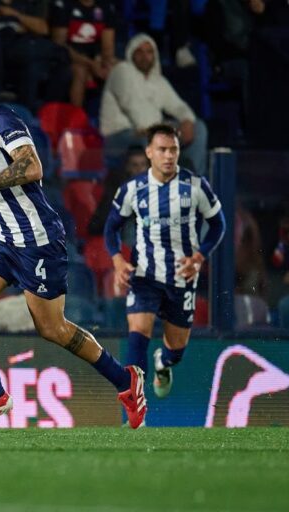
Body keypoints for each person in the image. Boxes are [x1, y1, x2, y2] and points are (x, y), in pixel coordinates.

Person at [0, 61, 146, 435]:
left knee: (52, 329)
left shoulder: (4, 122)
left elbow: (32, 167)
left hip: (37, 241)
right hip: (1, 236)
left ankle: (125, 381)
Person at [104, 123, 226, 401]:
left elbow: (218, 224)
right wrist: (118, 261)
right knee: (138, 332)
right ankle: (137, 405)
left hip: (182, 276)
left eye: (174, 149)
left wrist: (200, 255)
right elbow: (111, 227)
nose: (169, 155)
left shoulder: (196, 186)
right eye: (162, 149)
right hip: (144, 273)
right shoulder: (132, 189)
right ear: (149, 152)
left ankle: (164, 363)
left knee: (177, 348)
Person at [100, 33, 208, 174]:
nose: (145, 56)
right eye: (140, 52)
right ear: (131, 53)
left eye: (149, 52)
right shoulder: (122, 71)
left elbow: (177, 105)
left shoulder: (157, 80)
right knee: (152, 141)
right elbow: (133, 107)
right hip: (119, 135)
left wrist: (187, 120)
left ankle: (192, 182)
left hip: (151, 130)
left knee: (198, 128)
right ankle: (159, 190)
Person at [51, 0, 117, 107]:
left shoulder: (106, 6)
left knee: (121, 67)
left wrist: (105, 63)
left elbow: (108, 47)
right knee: (81, 70)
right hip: (68, 59)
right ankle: (77, 118)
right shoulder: (63, 4)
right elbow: (60, 45)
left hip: (95, 57)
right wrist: (91, 64)